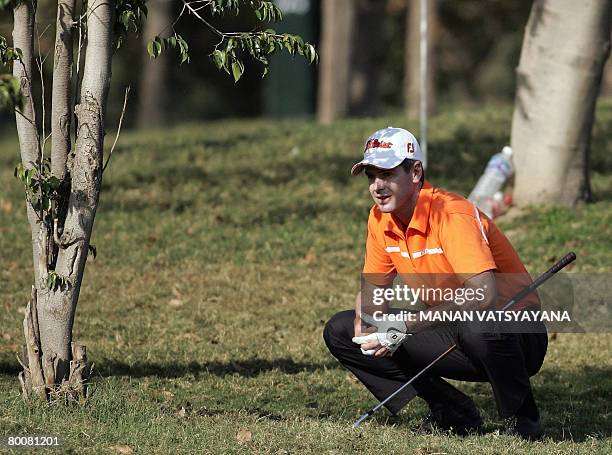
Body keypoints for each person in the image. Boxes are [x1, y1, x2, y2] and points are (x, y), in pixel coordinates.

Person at [323, 127, 547, 440]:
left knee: (477, 323)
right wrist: (368, 323)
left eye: (386, 174)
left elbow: (483, 296)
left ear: (415, 172)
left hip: (517, 333)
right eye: (371, 176)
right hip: (455, 329)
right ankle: (452, 411)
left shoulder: (451, 214)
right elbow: (374, 292)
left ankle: (524, 424)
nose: (377, 186)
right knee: (341, 330)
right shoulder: (380, 219)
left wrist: (405, 324)